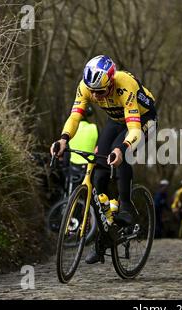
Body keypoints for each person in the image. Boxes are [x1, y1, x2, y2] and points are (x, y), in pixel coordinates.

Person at [50, 55, 157, 264]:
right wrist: (63, 140)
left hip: (143, 120)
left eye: (101, 92)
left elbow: (133, 129)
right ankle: (105, 235)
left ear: (111, 82)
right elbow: (74, 117)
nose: (97, 97)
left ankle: (125, 205)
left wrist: (123, 148)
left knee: (120, 152)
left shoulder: (126, 84)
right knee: (98, 174)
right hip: (116, 120)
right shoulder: (85, 86)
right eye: (93, 92)